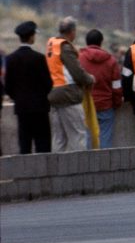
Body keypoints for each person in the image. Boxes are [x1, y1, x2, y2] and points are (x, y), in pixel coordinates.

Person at [46, 16, 95, 152]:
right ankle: (78, 165)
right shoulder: (65, 47)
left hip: (54, 94)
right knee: (78, 135)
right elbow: (77, 73)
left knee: (59, 138)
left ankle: (57, 165)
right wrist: (90, 79)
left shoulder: (52, 44)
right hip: (69, 95)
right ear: (72, 31)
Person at [4, 21, 54, 154]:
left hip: (22, 108)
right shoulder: (39, 58)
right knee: (43, 144)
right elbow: (48, 83)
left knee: (25, 145)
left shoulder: (11, 59)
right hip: (40, 108)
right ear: (32, 36)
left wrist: (19, 98)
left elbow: (8, 86)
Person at [79, 29, 123, 149]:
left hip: (86, 105)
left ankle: (88, 161)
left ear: (86, 42)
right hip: (106, 105)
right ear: (101, 42)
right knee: (105, 138)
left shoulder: (79, 59)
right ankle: (105, 160)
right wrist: (117, 103)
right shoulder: (111, 61)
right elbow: (117, 86)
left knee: (88, 138)